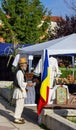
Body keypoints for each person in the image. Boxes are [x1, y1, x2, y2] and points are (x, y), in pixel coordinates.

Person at [13, 57, 34, 124]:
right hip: (19, 91)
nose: (26, 65)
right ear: (22, 65)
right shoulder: (19, 72)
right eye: (25, 64)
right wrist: (27, 84)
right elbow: (20, 83)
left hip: (20, 90)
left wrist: (25, 86)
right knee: (19, 105)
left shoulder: (21, 71)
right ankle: (16, 118)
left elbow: (21, 83)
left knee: (21, 105)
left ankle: (18, 117)